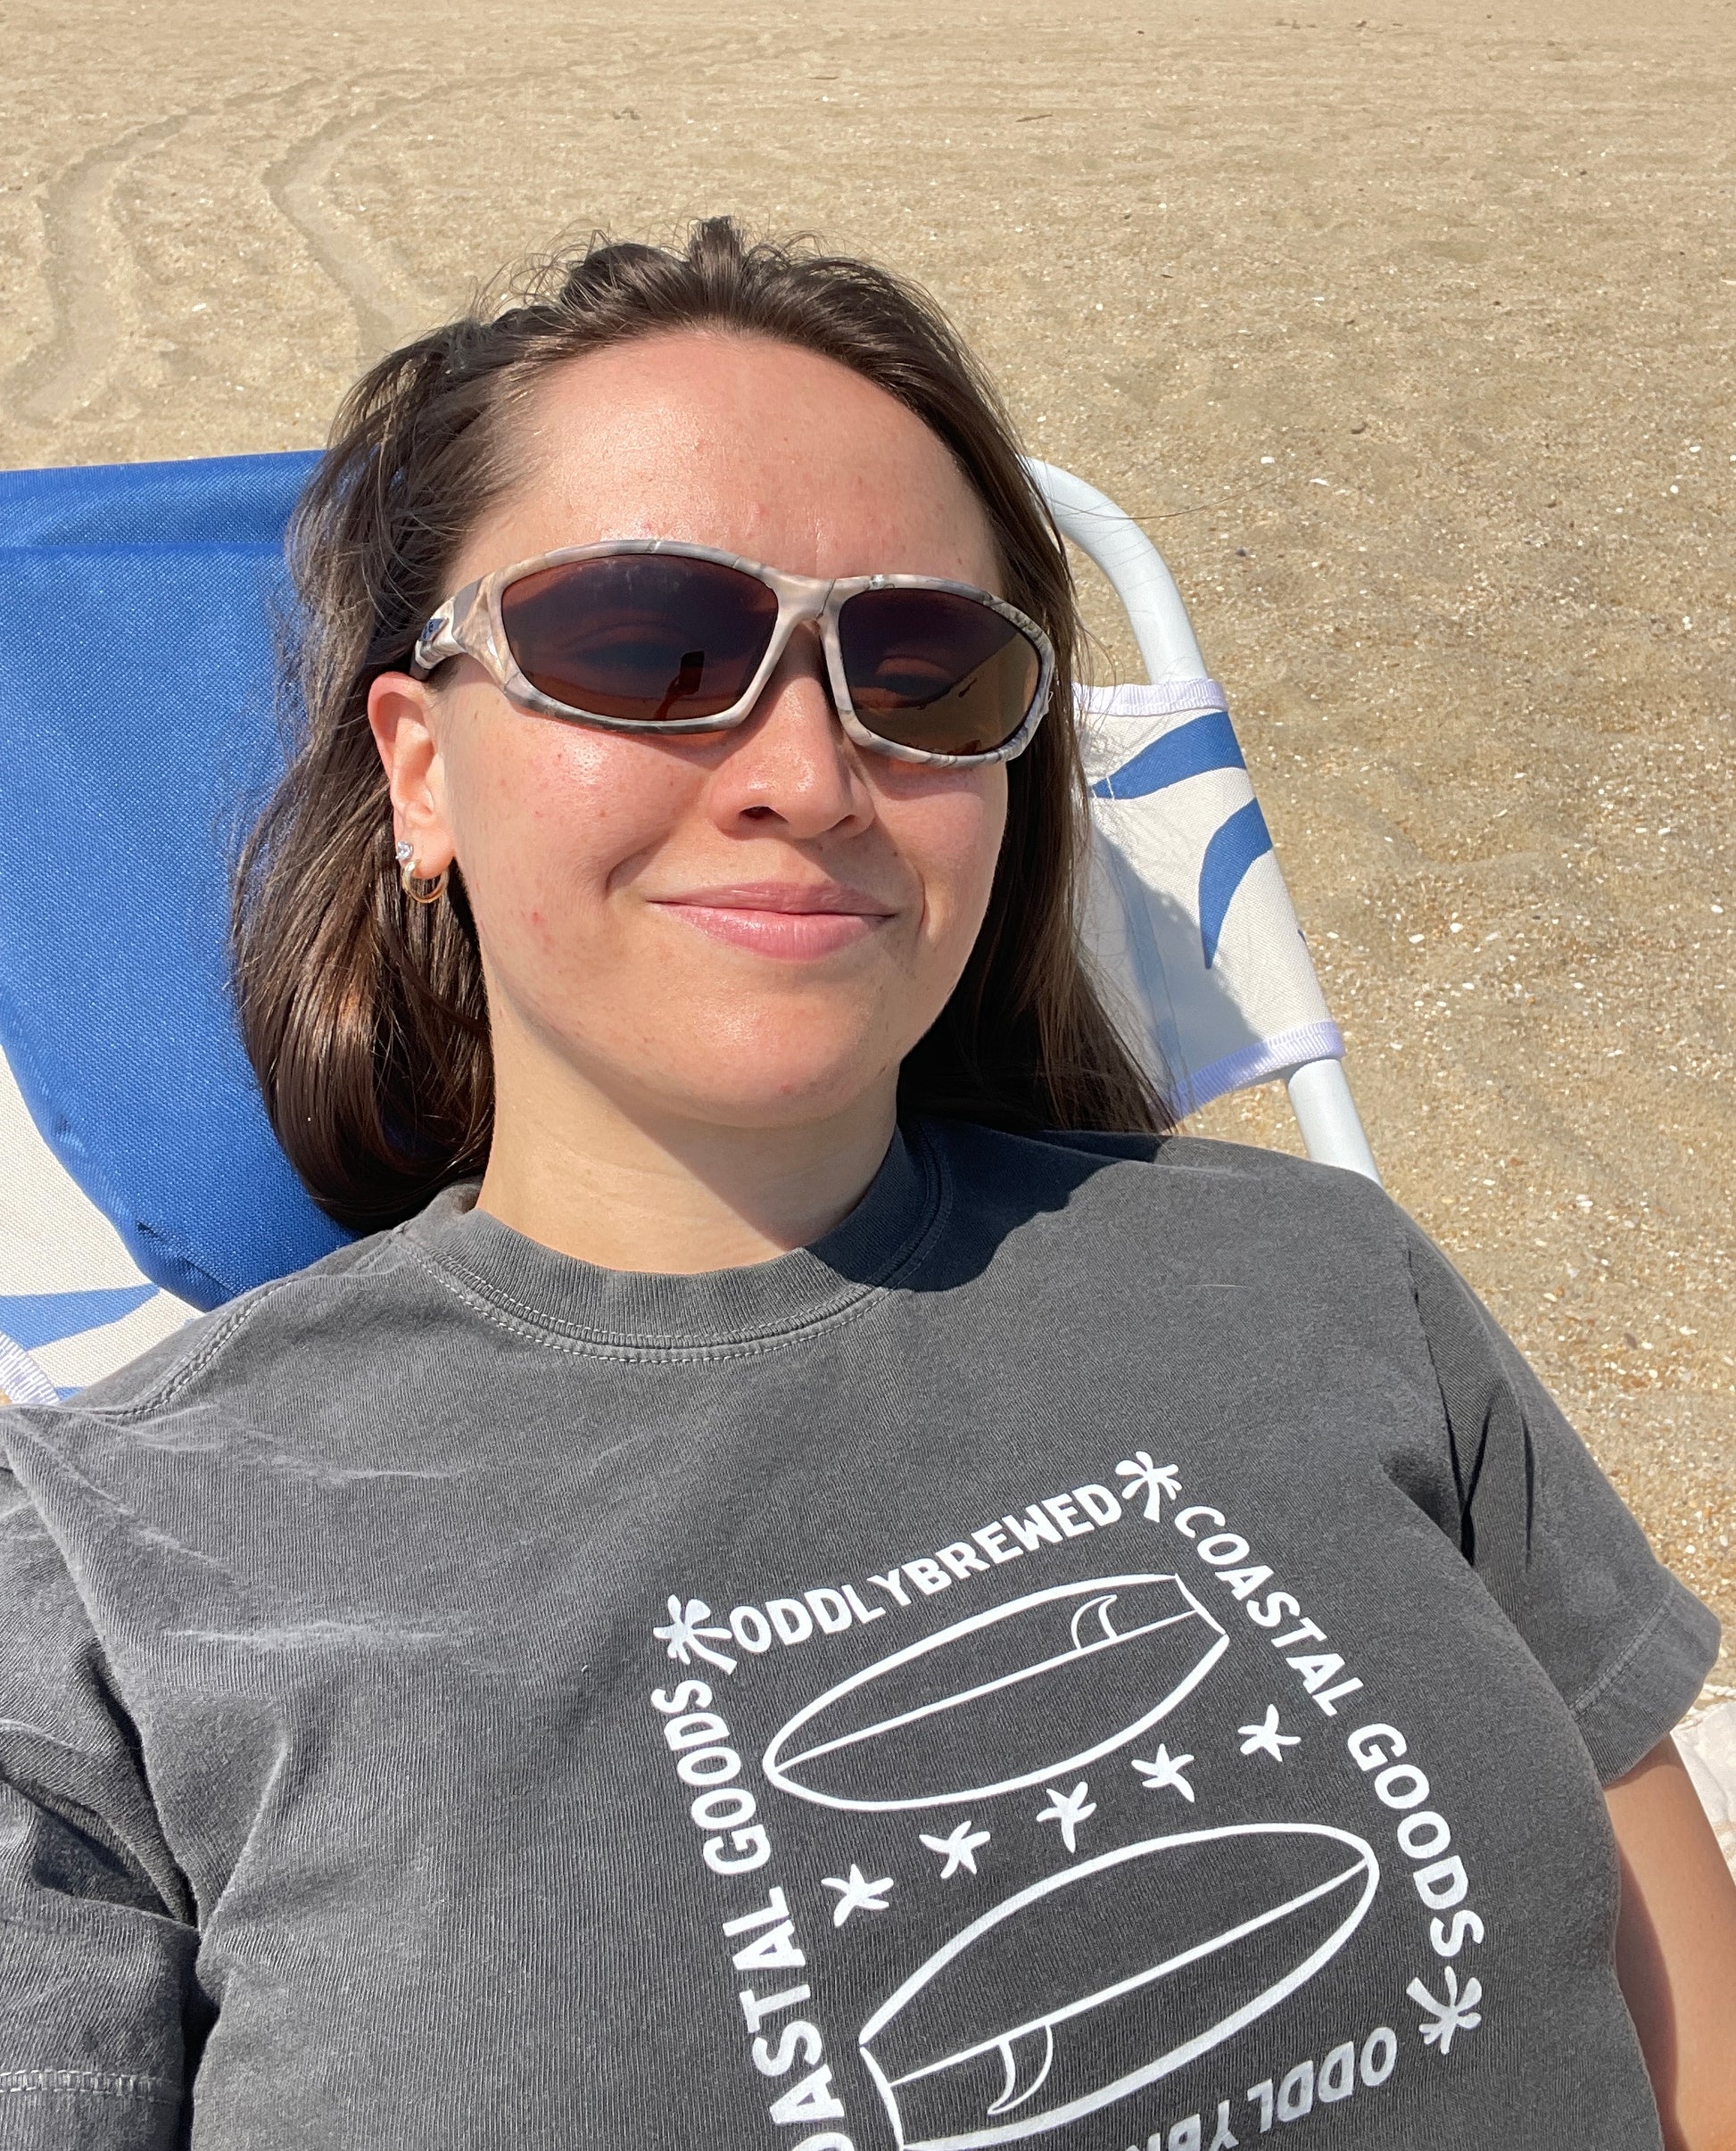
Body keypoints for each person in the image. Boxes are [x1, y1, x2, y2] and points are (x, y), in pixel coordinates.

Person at [1, 219, 1732, 2151]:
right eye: (642, 643)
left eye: (922, 669)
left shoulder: (1318, 1274)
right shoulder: (109, 1571)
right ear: (419, 769)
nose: (809, 775)